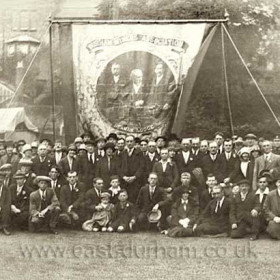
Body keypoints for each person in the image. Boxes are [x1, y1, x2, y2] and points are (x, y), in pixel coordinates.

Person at [119, 135, 144, 202]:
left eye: (131, 141)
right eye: (127, 141)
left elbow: (141, 167)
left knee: (134, 199)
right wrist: (123, 177)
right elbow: (118, 167)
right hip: (124, 181)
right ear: (125, 143)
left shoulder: (139, 153)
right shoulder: (122, 154)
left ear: (134, 142)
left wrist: (134, 177)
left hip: (135, 181)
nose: (129, 143)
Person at [0, 171, 11, 235]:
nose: (0, 180)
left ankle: (4, 227)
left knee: (6, 209)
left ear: (4, 179)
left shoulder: (6, 189)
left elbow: (8, 201)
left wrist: (1, 207)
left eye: (1, 178)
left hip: (2, 206)